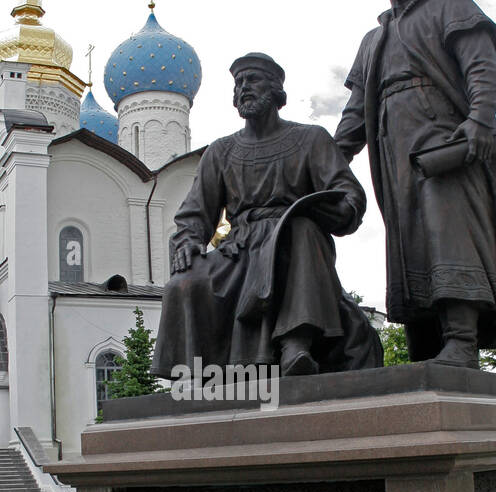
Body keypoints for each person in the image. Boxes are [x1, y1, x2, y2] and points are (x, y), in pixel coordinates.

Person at [334, 0, 496, 367]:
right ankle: (426, 346)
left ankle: (462, 341)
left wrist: (480, 118)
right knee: (409, 244)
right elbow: (355, 114)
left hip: (446, 142)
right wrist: (330, 158)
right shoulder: (373, 40)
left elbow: (480, 65)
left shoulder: (451, 8)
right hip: (394, 156)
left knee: (451, 233)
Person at [152, 52, 381, 379]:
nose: (244, 88)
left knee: (300, 228)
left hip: (294, 240)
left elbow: (348, 193)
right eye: (238, 83)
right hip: (240, 249)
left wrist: (339, 207)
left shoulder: (310, 139)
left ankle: (296, 345)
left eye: (253, 79)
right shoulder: (221, 151)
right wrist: (187, 241)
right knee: (183, 283)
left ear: (275, 90)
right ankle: (196, 378)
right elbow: (194, 212)